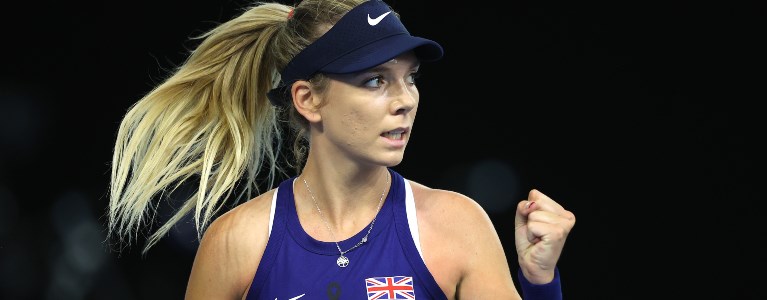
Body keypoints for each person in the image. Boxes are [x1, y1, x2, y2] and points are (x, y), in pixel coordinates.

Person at [106, 0, 576, 299]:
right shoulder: (237, 243)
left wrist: (539, 282)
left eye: (409, 78)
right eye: (375, 81)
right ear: (308, 100)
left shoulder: (457, 226)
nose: (405, 100)